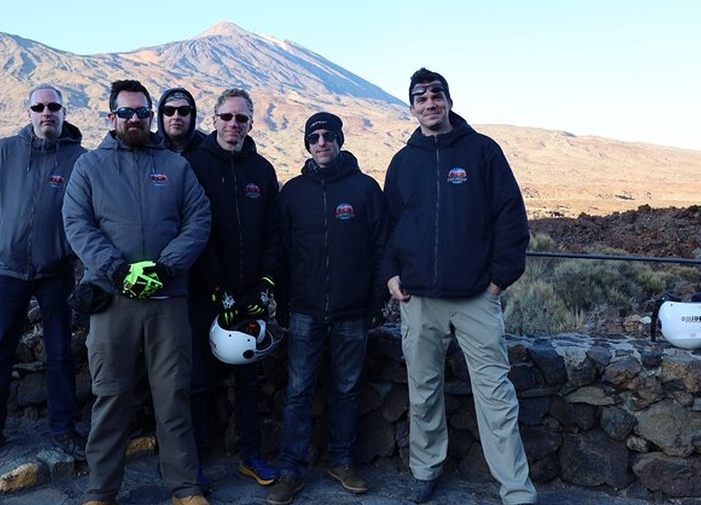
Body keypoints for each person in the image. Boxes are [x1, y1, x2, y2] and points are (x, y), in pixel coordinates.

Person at [382, 68, 537, 505]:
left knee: (496, 393)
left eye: (436, 96)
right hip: (419, 300)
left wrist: (497, 280)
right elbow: (388, 226)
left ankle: (516, 488)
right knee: (423, 389)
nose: (429, 104)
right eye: (420, 98)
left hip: (475, 298)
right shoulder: (403, 162)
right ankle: (425, 470)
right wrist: (390, 274)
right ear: (411, 107)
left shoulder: (482, 152)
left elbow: (511, 217)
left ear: (449, 101)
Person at [62, 79, 212, 505]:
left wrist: (167, 267)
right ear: (111, 117)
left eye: (141, 113)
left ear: (151, 117)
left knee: (173, 395)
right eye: (125, 112)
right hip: (113, 301)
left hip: (168, 301)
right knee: (110, 396)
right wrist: (117, 270)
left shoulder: (175, 166)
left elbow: (198, 219)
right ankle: (101, 490)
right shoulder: (90, 167)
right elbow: (77, 223)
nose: (134, 119)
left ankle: (185, 487)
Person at [267, 112, 388, 505]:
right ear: (306, 143)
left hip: (353, 311)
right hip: (303, 310)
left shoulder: (365, 189)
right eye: (315, 136)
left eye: (329, 136)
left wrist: (376, 302)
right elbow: (281, 252)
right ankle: (291, 469)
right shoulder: (293, 192)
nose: (322, 142)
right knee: (298, 392)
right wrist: (282, 303)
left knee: (348, 389)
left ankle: (342, 461)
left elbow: (380, 249)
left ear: (340, 140)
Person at [0, 83, 87, 463]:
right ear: (29, 111)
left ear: (65, 112)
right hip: (8, 270)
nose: (46, 112)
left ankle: (64, 429)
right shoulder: (5, 151)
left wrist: (68, 249)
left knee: (59, 354)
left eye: (53, 106)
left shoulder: (79, 159)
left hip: (56, 273)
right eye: (39, 106)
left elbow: (91, 213)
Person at [184, 88, 280, 489]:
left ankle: (251, 455)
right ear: (214, 119)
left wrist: (265, 284)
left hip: (249, 295)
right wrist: (215, 287)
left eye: (241, 119)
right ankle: (195, 464)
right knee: (200, 380)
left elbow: (275, 231)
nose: (233, 124)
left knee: (248, 381)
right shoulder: (194, 165)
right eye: (226, 117)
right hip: (206, 294)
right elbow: (194, 230)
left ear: (251, 124)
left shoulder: (262, 170)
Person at [157, 87, 206, 155]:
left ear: (192, 116)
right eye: (169, 110)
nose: (176, 117)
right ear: (161, 116)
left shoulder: (207, 149)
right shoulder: (149, 150)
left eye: (183, 110)